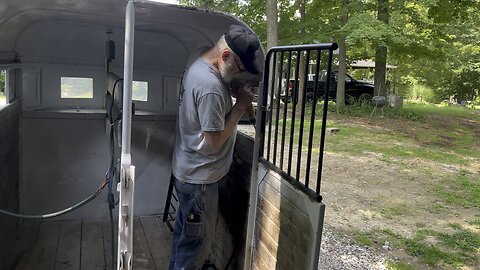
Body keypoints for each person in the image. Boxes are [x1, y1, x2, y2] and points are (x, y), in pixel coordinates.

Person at [169, 25, 261, 270]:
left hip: (186, 171)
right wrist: (240, 105)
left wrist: (230, 86)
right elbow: (213, 141)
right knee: (196, 248)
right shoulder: (210, 88)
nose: (240, 75)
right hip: (200, 180)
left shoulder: (198, 57)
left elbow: (216, 83)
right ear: (225, 56)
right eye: (240, 68)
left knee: (183, 240)